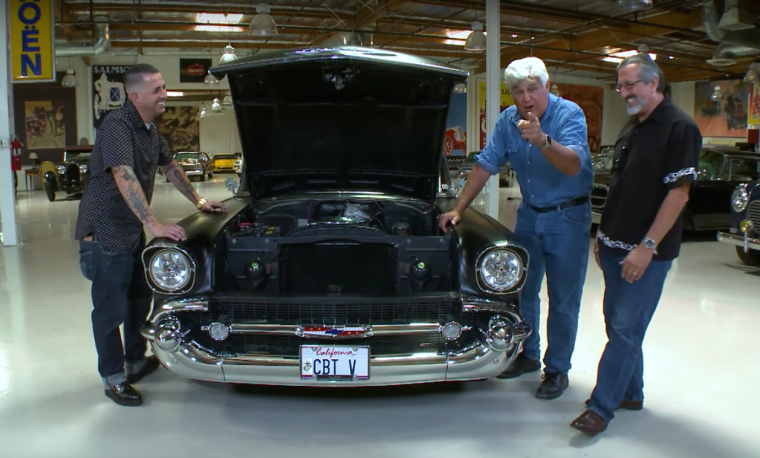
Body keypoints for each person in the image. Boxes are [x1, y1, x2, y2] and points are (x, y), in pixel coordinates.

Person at [439, 56, 593, 400]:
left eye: (533, 89)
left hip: (567, 217)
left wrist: (541, 140)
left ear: (547, 87)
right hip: (529, 214)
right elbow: (485, 165)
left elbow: (573, 165)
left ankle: (557, 369)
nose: (526, 98)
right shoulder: (508, 121)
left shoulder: (569, 115)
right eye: (518, 92)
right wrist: (458, 209)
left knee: (564, 298)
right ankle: (528, 354)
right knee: (523, 292)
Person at [74, 63, 227, 406]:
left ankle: (135, 360)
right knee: (109, 310)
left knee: (138, 300)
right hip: (104, 233)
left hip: (128, 233)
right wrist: (154, 225)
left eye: (164, 88)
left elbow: (169, 166)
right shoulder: (116, 125)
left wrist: (199, 200)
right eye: (158, 89)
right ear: (135, 95)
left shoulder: (149, 130)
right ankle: (113, 378)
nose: (165, 94)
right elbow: (123, 173)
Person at [570, 55, 701, 435]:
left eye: (630, 85)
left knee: (626, 328)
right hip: (613, 246)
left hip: (647, 253)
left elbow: (678, 195)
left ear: (653, 82)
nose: (624, 92)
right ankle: (631, 392)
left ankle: (601, 407)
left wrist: (645, 247)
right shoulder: (633, 127)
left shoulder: (680, 127)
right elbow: (621, 187)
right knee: (619, 325)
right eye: (620, 85)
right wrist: (603, 237)